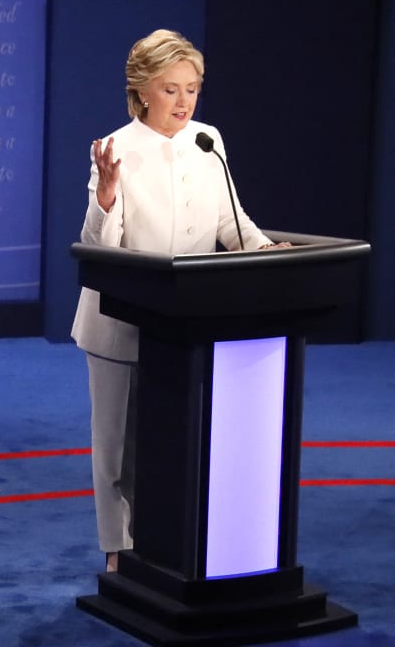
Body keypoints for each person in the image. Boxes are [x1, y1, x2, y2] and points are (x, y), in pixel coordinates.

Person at [70, 29, 286, 574]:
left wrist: (265, 250)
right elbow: (101, 248)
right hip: (119, 323)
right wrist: (106, 198)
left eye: (192, 88)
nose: (184, 102)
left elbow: (229, 221)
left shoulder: (207, 141)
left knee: (175, 444)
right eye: (171, 90)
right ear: (142, 91)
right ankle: (119, 554)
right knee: (118, 449)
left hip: (188, 324)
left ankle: (172, 547)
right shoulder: (114, 149)